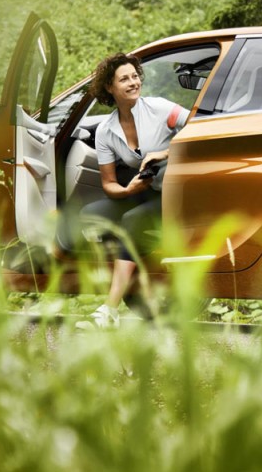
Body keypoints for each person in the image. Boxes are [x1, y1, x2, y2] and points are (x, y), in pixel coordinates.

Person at [75, 53, 188, 328]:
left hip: (179, 192)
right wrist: (128, 190)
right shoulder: (106, 130)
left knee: (132, 221)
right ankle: (136, 267)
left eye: (135, 76)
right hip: (148, 190)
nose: (133, 82)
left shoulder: (161, 108)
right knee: (90, 214)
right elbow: (108, 184)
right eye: (124, 79)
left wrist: (164, 153)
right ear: (109, 87)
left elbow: (203, 130)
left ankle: (110, 309)